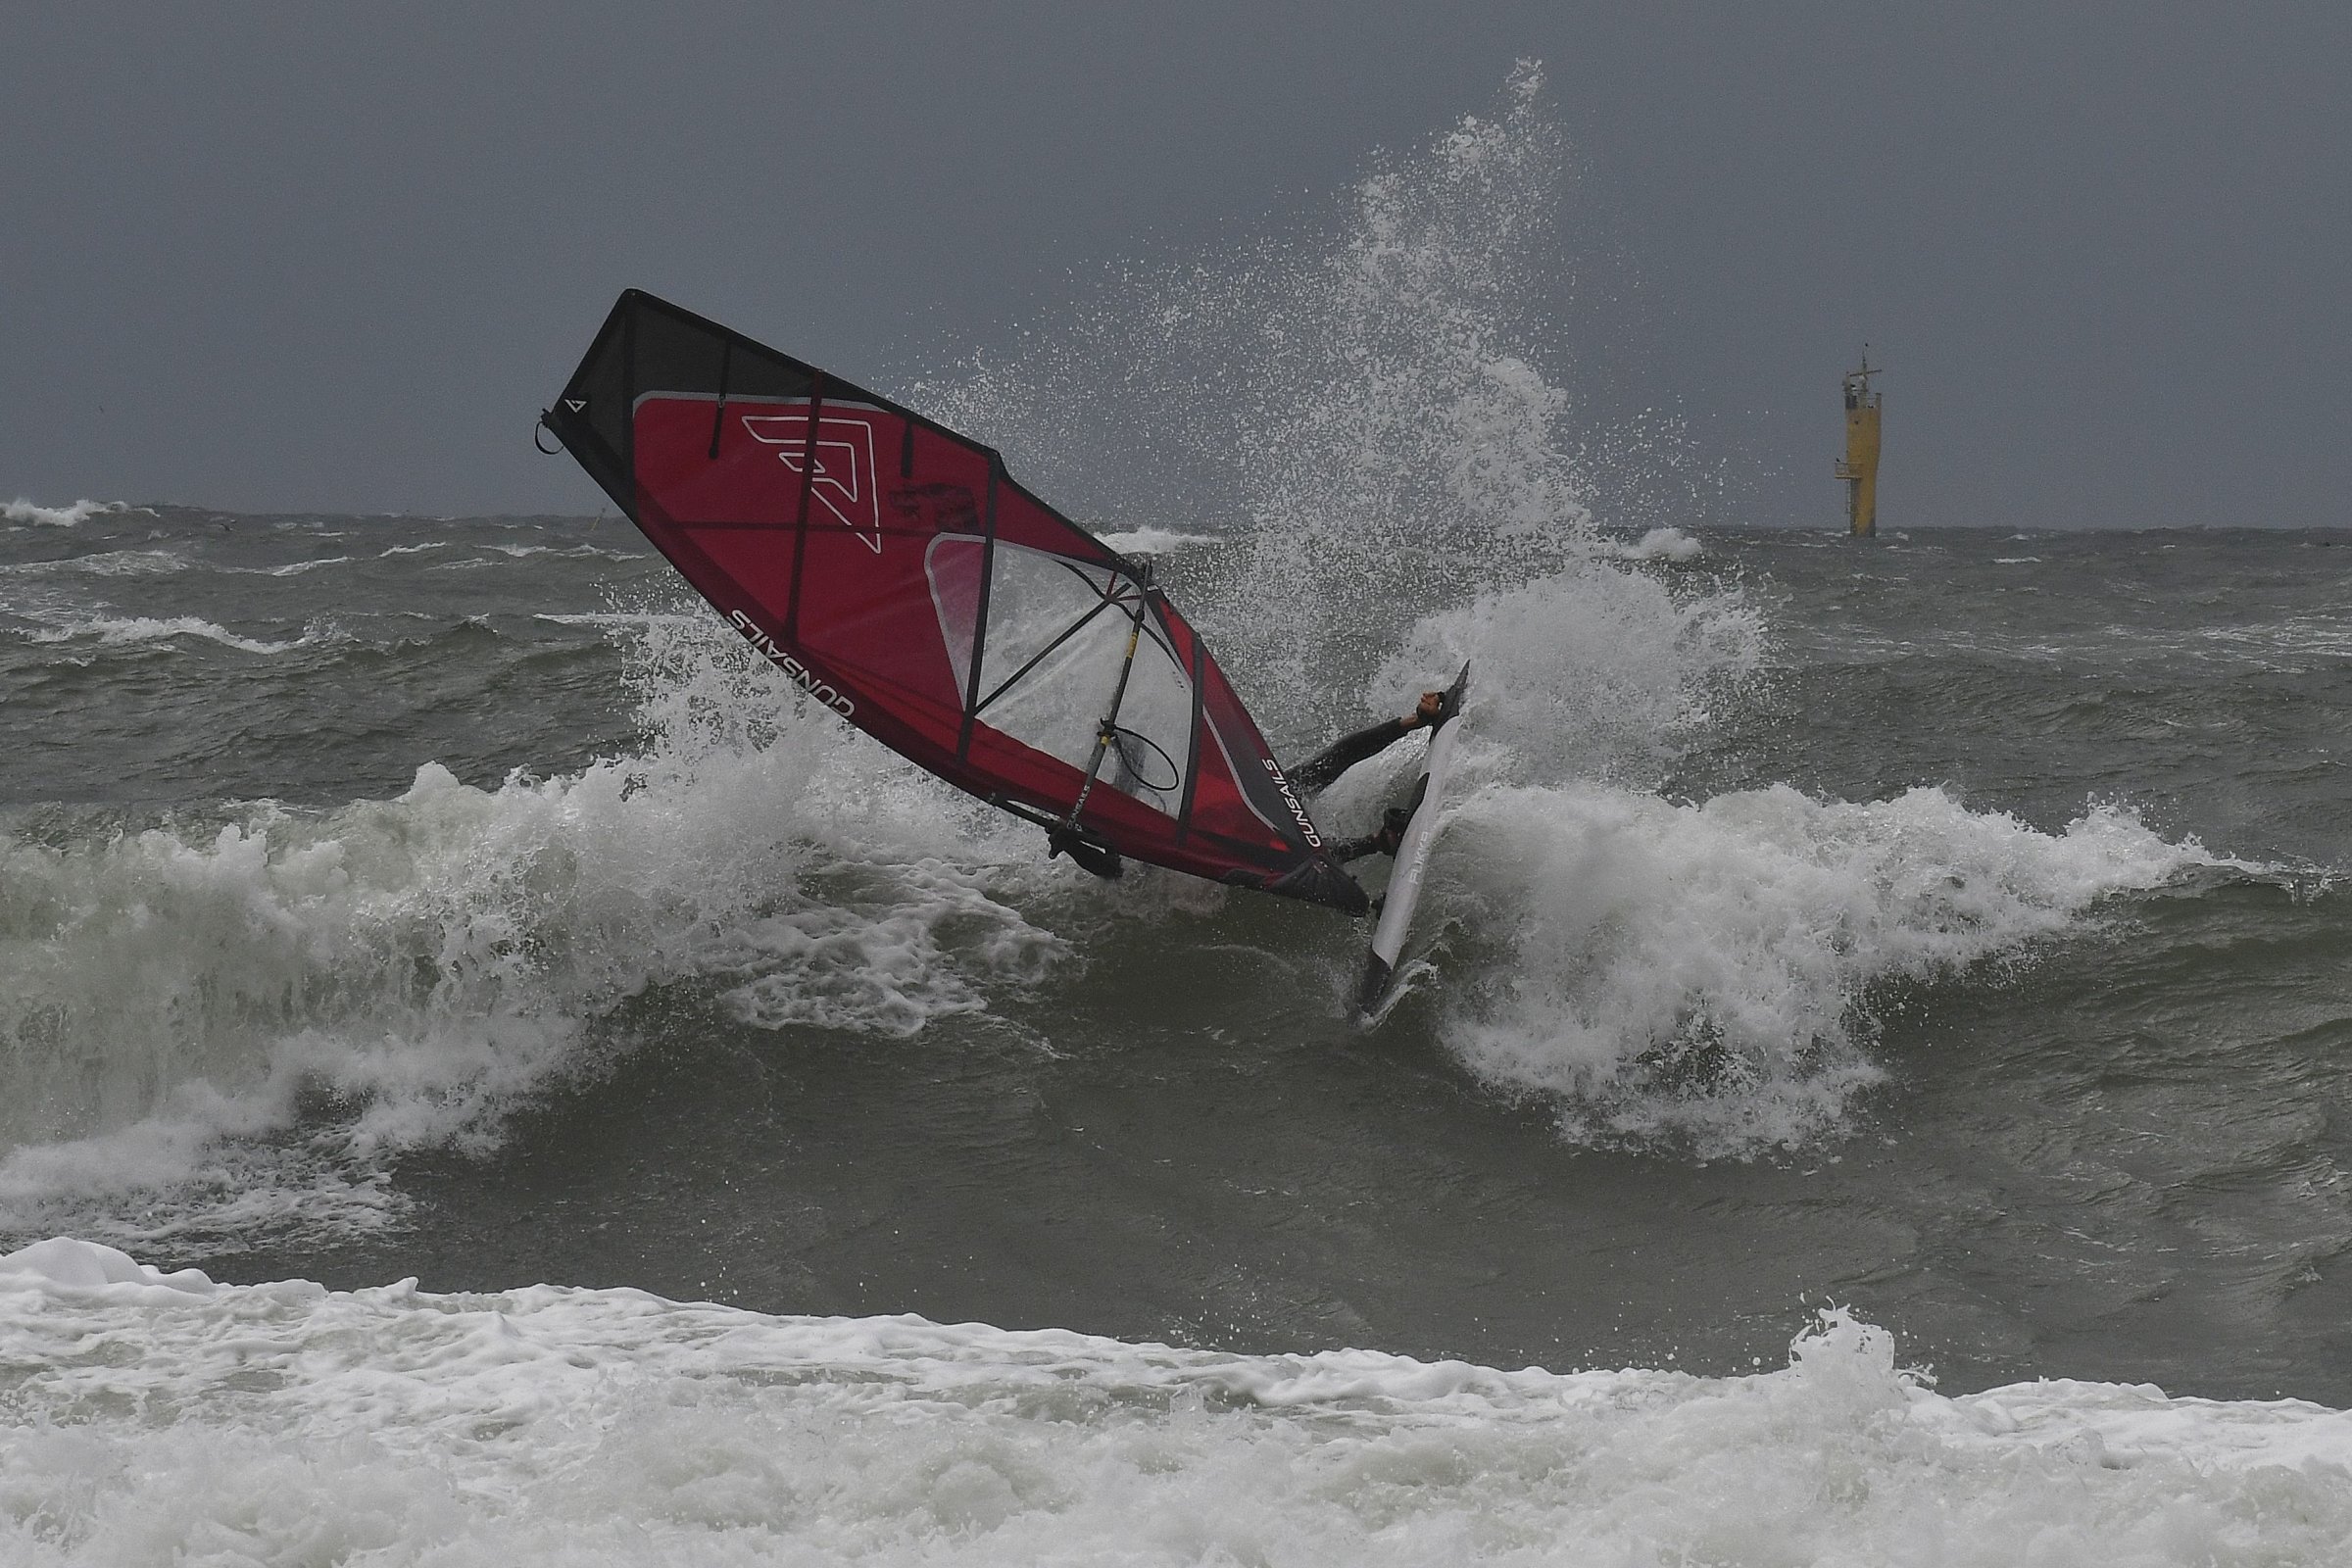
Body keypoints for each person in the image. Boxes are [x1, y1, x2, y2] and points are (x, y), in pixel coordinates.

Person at [1293, 688, 1451, 862]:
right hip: (1275, 852)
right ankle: (1379, 841)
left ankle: (1415, 721)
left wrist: (1414, 721)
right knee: (1297, 855)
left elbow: (1341, 755)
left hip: (1270, 809)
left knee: (1317, 770)